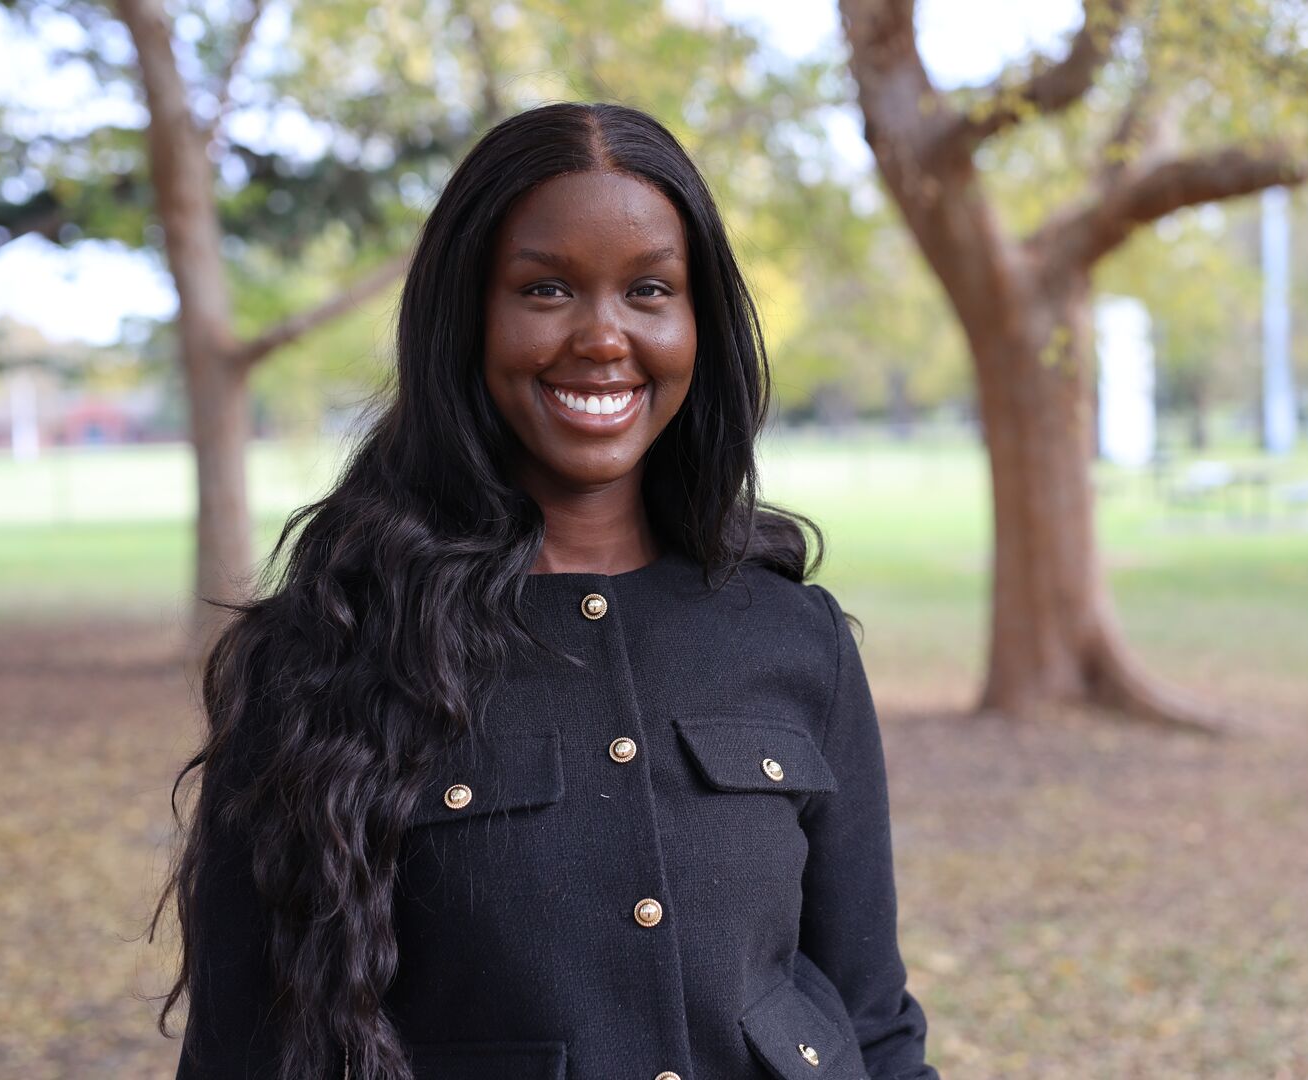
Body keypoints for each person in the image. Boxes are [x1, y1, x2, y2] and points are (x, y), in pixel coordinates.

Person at [152, 100, 938, 1080]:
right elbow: (243, 1055)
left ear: (699, 322)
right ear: (469, 316)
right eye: (547, 289)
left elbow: (873, 1019)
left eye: (650, 289)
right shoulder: (326, 655)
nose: (603, 337)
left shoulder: (795, 639)